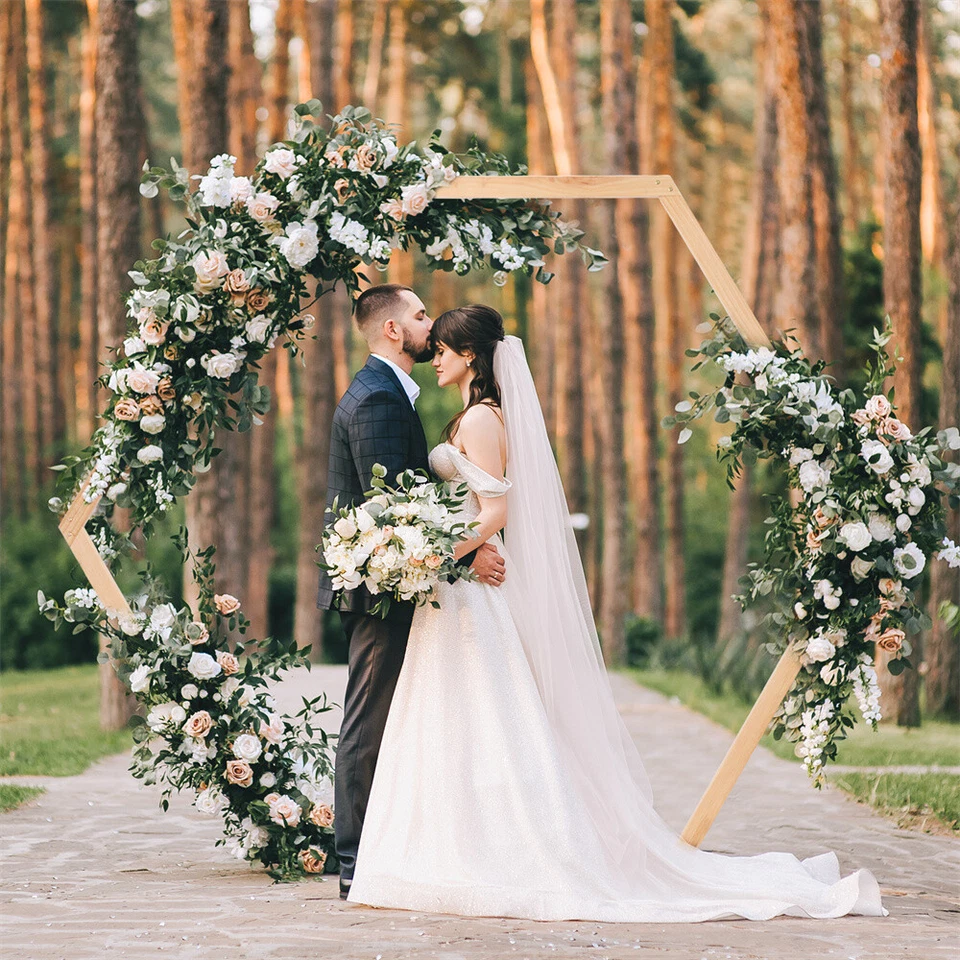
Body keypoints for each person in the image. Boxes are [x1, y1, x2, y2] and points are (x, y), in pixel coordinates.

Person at [345, 304, 887, 923]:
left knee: (483, 717)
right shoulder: (474, 414)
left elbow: (496, 512)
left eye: (443, 349)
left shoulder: (481, 418)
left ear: (469, 355)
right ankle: (450, 845)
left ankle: (495, 849)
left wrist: (437, 552)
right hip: (460, 586)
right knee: (456, 718)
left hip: (468, 584)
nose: (435, 358)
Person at [316, 285, 506, 901]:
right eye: (421, 316)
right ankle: (355, 859)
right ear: (394, 330)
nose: (431, 326)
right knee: (369, 720)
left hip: (398, 580)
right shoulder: (378, 398)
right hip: (380, 587)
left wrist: (467, 543)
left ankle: (387, 846)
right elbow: (393, 507)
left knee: (397, 717)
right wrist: (469, 549)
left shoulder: (390, 393)